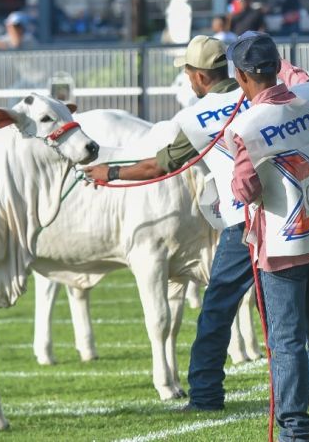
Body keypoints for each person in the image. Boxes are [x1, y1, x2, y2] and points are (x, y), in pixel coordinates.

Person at [85, 35, 260, 411]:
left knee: (216, 310)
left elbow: (158, 165)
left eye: (188, 73)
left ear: (199, 77)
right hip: (284, 218)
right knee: (283, 311)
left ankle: (206, 395)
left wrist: (109, 172)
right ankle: (308, 390)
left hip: (242, 224)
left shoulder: (194, 118)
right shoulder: (259, 96)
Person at [225, 31, 309, 442]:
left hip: (282, 248)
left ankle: (296, 431)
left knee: (286, 343)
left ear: (241, 76)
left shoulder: (245, 126)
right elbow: (300, 80)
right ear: (277, 66)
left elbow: (245, 191)